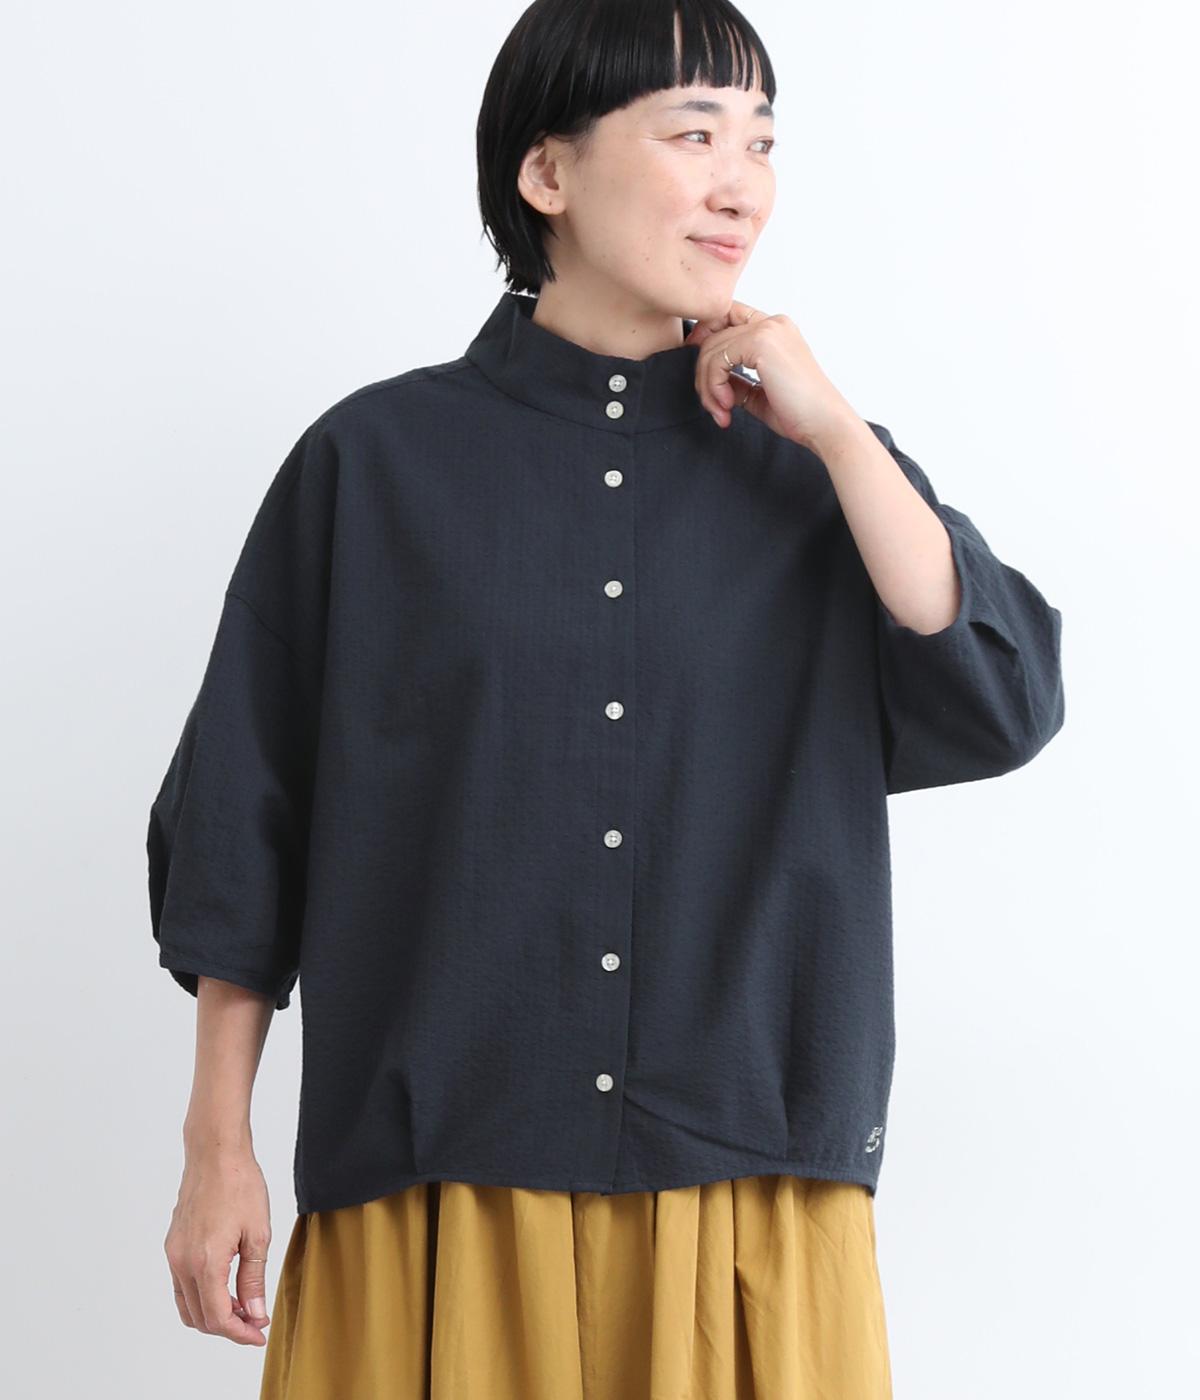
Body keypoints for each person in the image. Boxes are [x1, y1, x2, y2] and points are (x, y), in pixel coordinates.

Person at [149, 2, 1065, 1397]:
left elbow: (1002, 694)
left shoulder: (821, 477)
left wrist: (836, 430)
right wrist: (216, 1148)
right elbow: (242, 827)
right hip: (438, 1190)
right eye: (695, 134)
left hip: (749, 1196)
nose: (740, 184)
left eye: (762, 143)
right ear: (549, 174)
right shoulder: (373, 466)